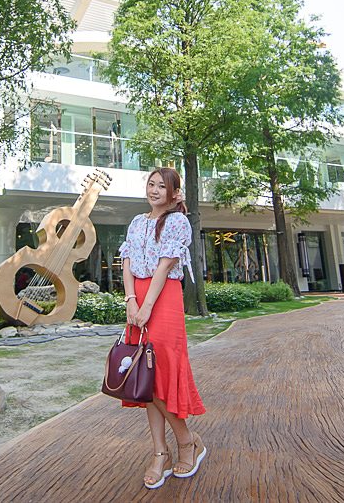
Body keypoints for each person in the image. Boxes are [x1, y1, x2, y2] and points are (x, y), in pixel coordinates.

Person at [117, 167, 207, 489]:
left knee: (161, 374)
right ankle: (160, 452)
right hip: (137, 298)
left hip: (163, 298)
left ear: (173, 193)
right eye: (151, 184)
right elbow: (126, 263)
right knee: (144, 377)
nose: (154, 190)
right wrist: (130, 301)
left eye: (162, 186)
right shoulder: (136, 223)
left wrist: (147, 306)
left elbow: (165, 265)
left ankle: (186, 442)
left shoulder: (177, 222)